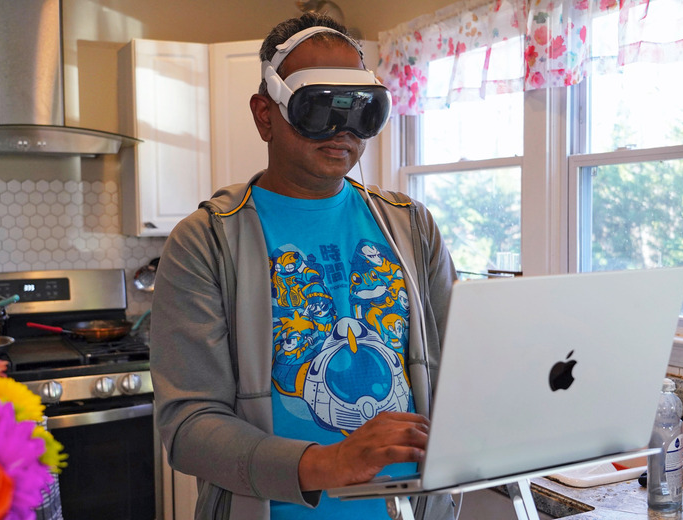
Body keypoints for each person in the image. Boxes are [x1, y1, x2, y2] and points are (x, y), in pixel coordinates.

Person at [151, 12, 457, 520]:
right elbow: (189, 427)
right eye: (319, 109)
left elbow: (459, 372)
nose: (343, 130)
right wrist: (328, 463)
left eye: (361, 111)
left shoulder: (411, 227)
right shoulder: (205, 242)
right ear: (265, 114)